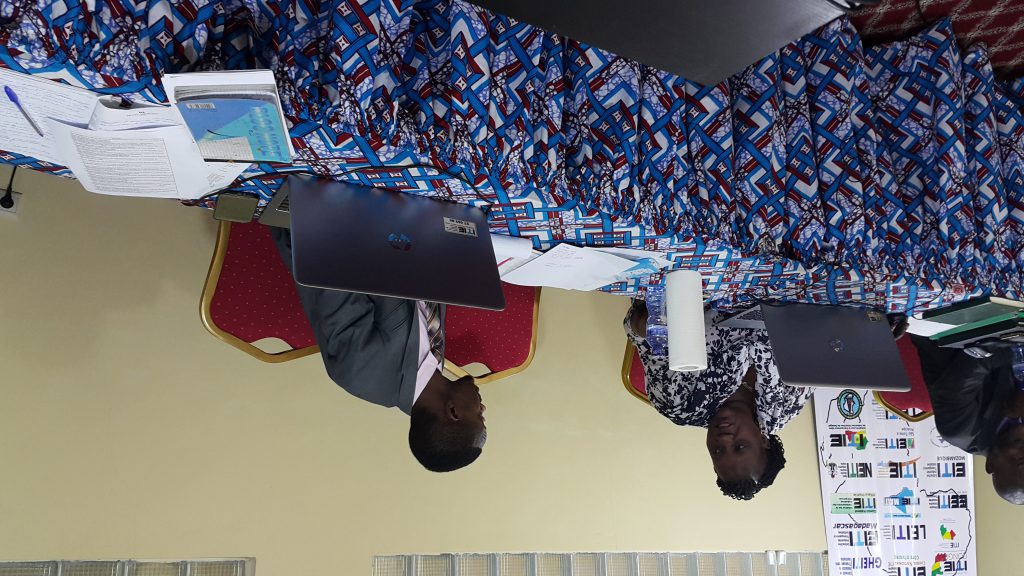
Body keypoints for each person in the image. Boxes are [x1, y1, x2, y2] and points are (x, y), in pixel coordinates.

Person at [270, 227, 487, 472]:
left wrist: (393, 228)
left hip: (335, 228)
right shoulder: (435, 362)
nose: (483, 408)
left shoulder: (361, 371)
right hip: (404, 232)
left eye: (479, 416)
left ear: (453, 412)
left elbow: (326, 266)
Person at [624, 301, 813, 500]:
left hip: (701, 291)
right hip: (780, 296)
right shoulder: (784, 406)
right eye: (740, 446)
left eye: (717, 451)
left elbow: (635, 325)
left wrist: (659, 324)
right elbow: (814, 343)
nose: (724, 439)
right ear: (763, 440)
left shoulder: (680, 403)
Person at [911, 335, 1024, 504]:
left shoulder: (960, 430)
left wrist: (1018, 354)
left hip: (946, 332)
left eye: (1018, 459)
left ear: (991, 465)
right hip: (1001, 331)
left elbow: (976, 358)